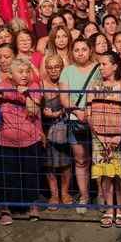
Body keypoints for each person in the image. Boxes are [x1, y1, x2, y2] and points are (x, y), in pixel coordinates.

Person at [0, 57, 44, 225]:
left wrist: (25, 94)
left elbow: (34, 111)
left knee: (31, 174)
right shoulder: (1, 86)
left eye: (27, 71)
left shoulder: (34, 87)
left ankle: (32, 205)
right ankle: (6, 208)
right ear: (10, 74)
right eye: (20, 72)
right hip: (5, 140)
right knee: (7, 176)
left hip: (30, 139)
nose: (24, 75)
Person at [87, 51, 121, 228]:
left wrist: (119, 135)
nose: (101, 67)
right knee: (106, 175)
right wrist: (99, 136)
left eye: (104, 64)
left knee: (120, 175)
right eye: (99, 64)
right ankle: (109, 208)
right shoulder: (94, 86)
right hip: (99, 138)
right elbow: (89, 112)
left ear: (115, 66)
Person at [58, 38, 99, 213]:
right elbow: (64, 97)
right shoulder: (67, 71)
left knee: (99, 158)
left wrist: (90, 113)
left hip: (97, 118)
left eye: (84, 49)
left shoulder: (98, 69)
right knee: (81, 160)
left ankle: (102, 195)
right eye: (76, 50)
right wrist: (76, 111)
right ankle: (84, 196)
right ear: (72, 52)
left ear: (90, 51)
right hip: (76, 119)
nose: (80, 53)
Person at [40, 54, 73, 211]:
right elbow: (37, 108)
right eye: (50, 67)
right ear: (46, 69)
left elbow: (71, 102)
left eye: (57, 67)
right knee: (49, 164)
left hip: (65, 127)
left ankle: (64, 193)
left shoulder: (67, 82)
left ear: (62, 68)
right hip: (47, 128)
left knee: (66, 162)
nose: (53, 70)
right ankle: (54, 195)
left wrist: (58, 113)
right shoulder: (41, 84)